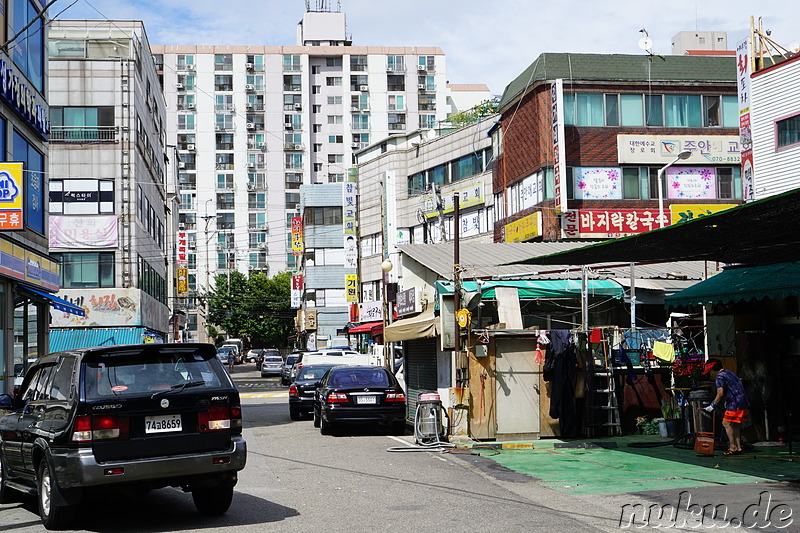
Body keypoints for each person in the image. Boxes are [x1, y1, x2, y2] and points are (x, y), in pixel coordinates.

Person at [702, 358, 749, 456]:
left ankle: (732, 447)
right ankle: (738, 447)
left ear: (713, 368)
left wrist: (712, 405)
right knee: (735, 424)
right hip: (743, 401)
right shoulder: (729, 372)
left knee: (726, 423)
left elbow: (720, 393)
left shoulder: (719, 377)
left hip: (734, 403)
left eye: (710, 370)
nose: (710, 373)